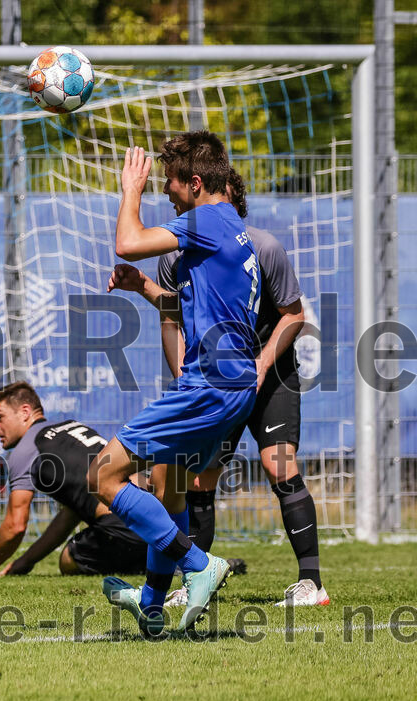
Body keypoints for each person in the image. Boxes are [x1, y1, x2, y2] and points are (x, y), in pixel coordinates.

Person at [91, 132, 261, 636]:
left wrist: (131, 190)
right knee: (170, 492)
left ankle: (198, 564)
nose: (164, 189)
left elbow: (128, 242)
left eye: (169, 180)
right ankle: (151, 605)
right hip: (230, 388)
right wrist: (144, 286)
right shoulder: (229, 228)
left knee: (102, 476)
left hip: (209, 386)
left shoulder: (207, 221)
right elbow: (190, 310)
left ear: (196, 182)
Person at [153, 168, 327, 608]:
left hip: (272, 375)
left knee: (278, 465)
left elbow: (294, 315)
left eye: (223, 199)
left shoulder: (263, 247)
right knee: (198, 476)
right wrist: (184, 378)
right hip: (215, 380)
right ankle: (195, 581)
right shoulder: (173, 257)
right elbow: (171, 321)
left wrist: (262, 363)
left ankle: (311, 584)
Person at [0, 382, 147, 579]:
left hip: (123, 527)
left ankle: (145, 563)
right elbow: (71, 514)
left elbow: (16, 526)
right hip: (157, 513)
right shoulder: (73, 428)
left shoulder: (26, 450)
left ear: (25, 412)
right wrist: (26, 561)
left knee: (69, 559)